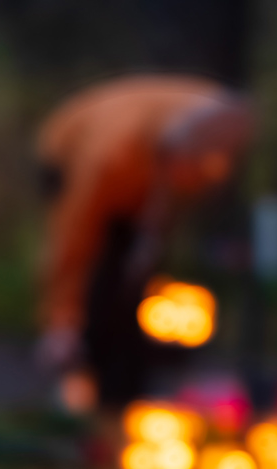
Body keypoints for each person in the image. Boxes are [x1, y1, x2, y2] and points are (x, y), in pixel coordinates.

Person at [34, 76, 253, 409]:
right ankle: (87, 376)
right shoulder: (106, 160)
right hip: (68, 152)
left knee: (137, 280)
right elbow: (73, 236)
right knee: (105, 269)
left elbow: (172, 205)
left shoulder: (214, 131)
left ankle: (127, 384)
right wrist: (61, 316)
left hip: (143, 175)